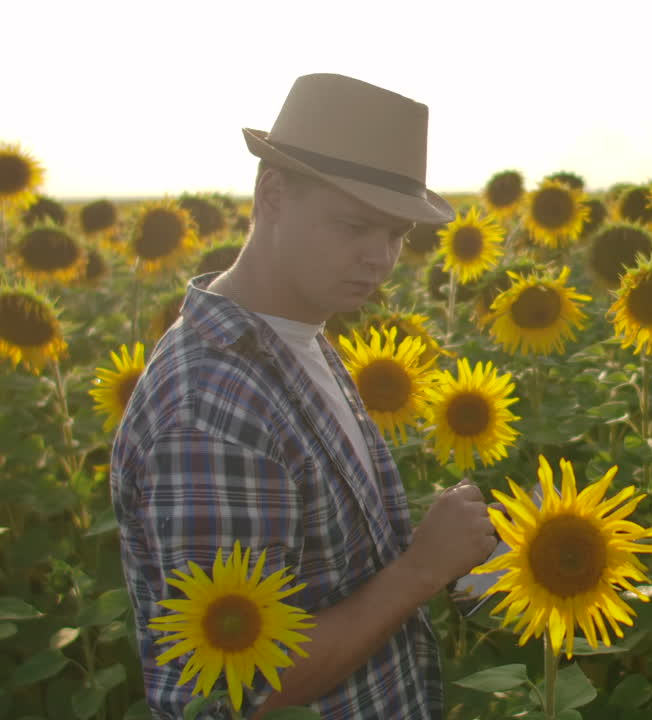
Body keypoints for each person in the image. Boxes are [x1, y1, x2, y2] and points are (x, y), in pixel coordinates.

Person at [110, 73, 498, 719]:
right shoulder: (209, 411)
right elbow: (234, 694)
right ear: (272, 193)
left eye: (396, 234)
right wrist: (421, 570)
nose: (379, 257)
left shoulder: (296, 335)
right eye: (353, 225)